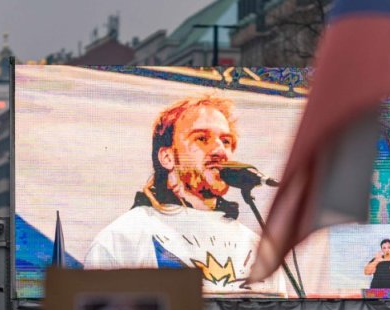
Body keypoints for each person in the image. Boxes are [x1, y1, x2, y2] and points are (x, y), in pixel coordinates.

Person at [85, 95, 285, 297]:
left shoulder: (258, 248)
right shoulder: (124, 238)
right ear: (167, 157)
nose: (219, 150)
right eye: (201, 138)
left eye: (226, 141)